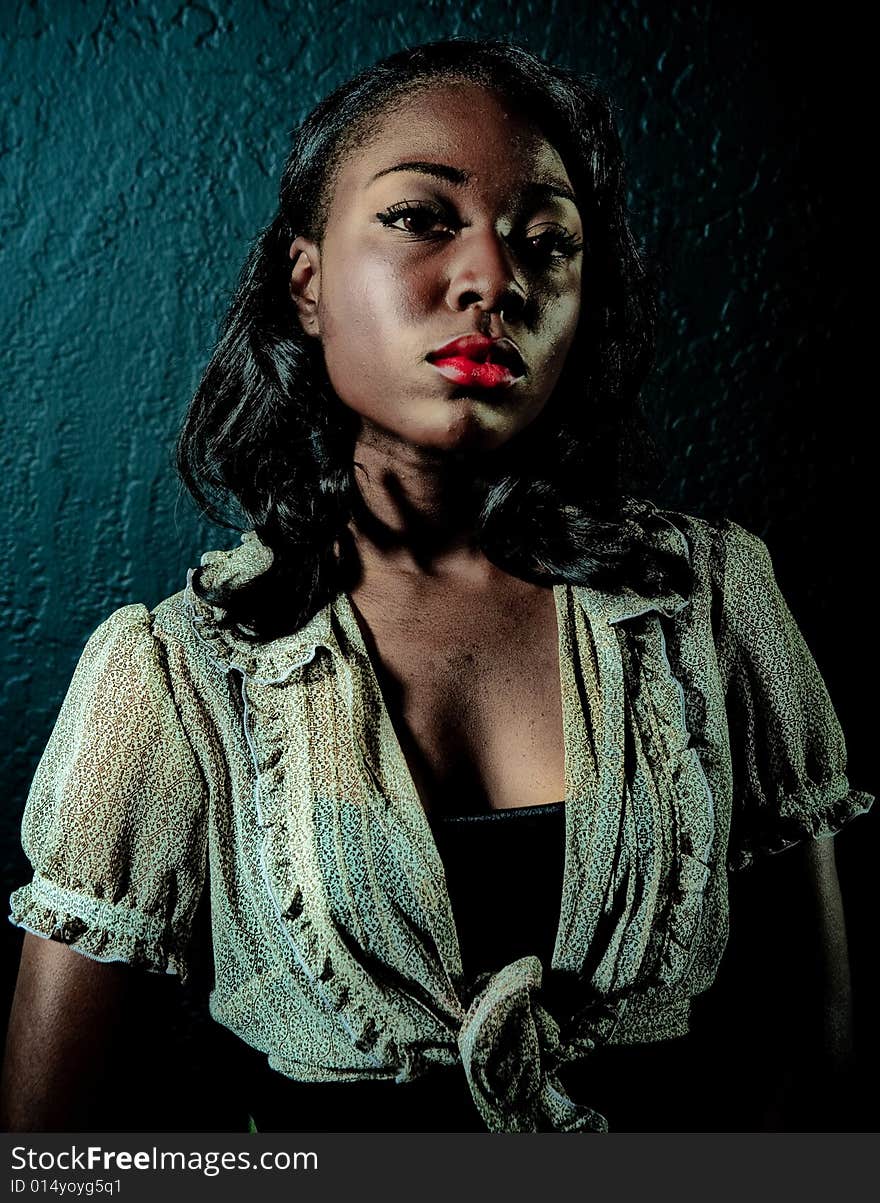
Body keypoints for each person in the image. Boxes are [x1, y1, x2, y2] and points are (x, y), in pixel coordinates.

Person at [1, 38, 873, 1134]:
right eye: (421, 218)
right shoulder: (176, 674)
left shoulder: (710, 603)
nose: (492, 280)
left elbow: (827, 1071)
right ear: (306, 281)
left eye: (546, 241)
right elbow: (47, 1154)